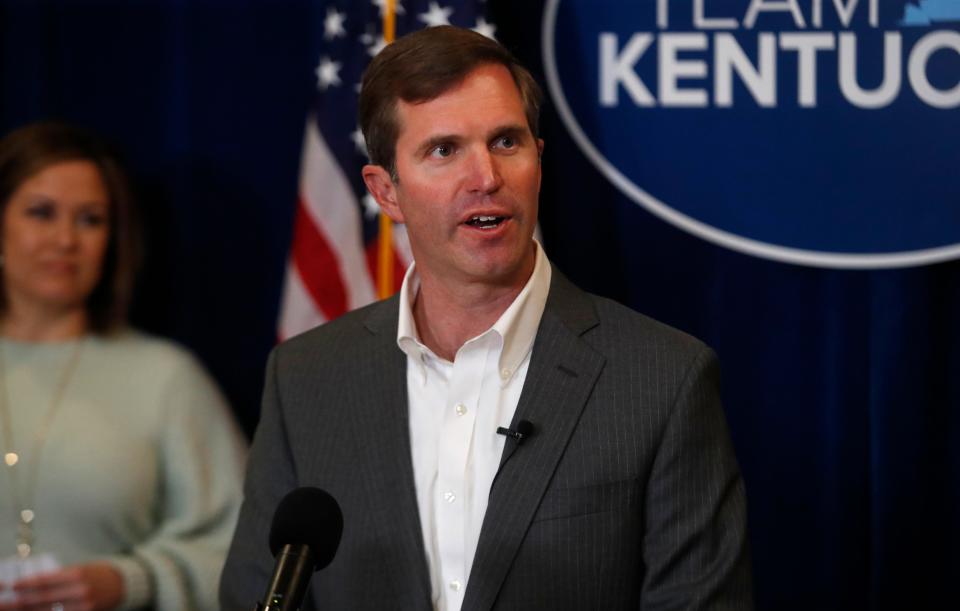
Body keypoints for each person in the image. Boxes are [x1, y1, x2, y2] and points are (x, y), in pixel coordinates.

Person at [221, 25, 752, 610]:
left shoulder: (662, 380)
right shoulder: (305, 380)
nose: (486, 178)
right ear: (386, 191)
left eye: (505, 142)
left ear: (538, 162)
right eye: (444, 150)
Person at [0, 122, 246, 611]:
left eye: (90, 219)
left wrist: (132, 581)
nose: (65, 239)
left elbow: (248, 551)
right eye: (41, 213)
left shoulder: (166, 377)